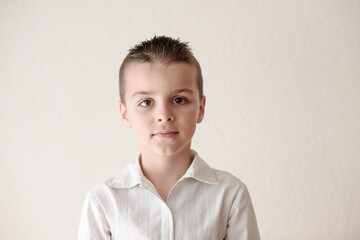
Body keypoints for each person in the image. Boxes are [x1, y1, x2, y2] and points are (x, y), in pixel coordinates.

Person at [78, 36, 260, 240]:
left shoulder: (231, 194)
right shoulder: (103, 201)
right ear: (125, 114)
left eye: (179, 100)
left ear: (200, 109)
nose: (164, 115)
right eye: (146, 102)